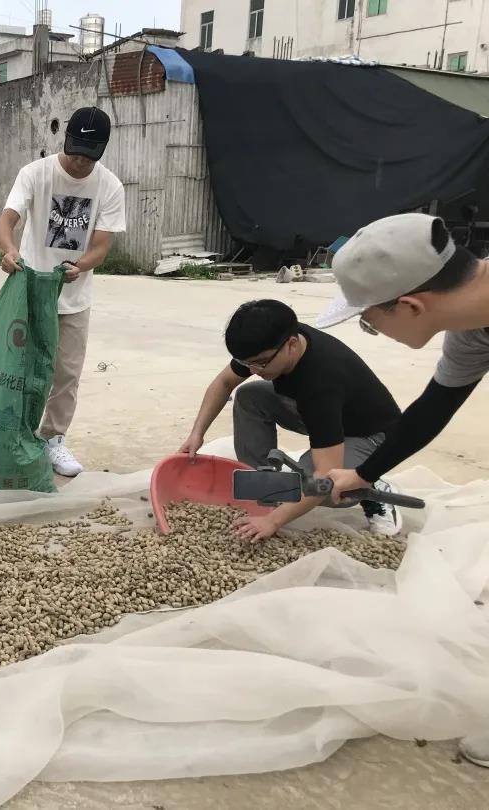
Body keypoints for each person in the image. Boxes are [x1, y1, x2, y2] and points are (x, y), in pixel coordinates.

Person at [315, 212, 489, 768]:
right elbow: (434, 408)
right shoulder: (474, 327)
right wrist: (363, 474)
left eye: (369, 323)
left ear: (410, 306)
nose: (372, 332)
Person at [178, 299, 403, 542]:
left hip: (371, 435)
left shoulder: (321, 383)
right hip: (324, 413)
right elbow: (224, 382)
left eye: (261, 363)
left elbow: (325, 476)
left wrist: (273, 521)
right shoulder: (275, 338)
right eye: (246, 363)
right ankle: (264, 486)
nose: (253, 371)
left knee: (320, 486)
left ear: (292, 345)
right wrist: (197, 434)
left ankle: (370, 485)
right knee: (249, 396)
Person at [0, 105, 126, 478]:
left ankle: (53, 439)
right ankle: (14, 435)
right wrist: (9, 249)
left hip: (74, 297)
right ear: (65, 140)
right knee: (20, 369)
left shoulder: (110, 186)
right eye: (75, 152)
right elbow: (7, 219)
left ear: (102, 150)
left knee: (66, 373)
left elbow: (100, 246)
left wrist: (81, 266)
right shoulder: (35, 173)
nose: (80, 162)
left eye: (89, 156)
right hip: (30, 290)